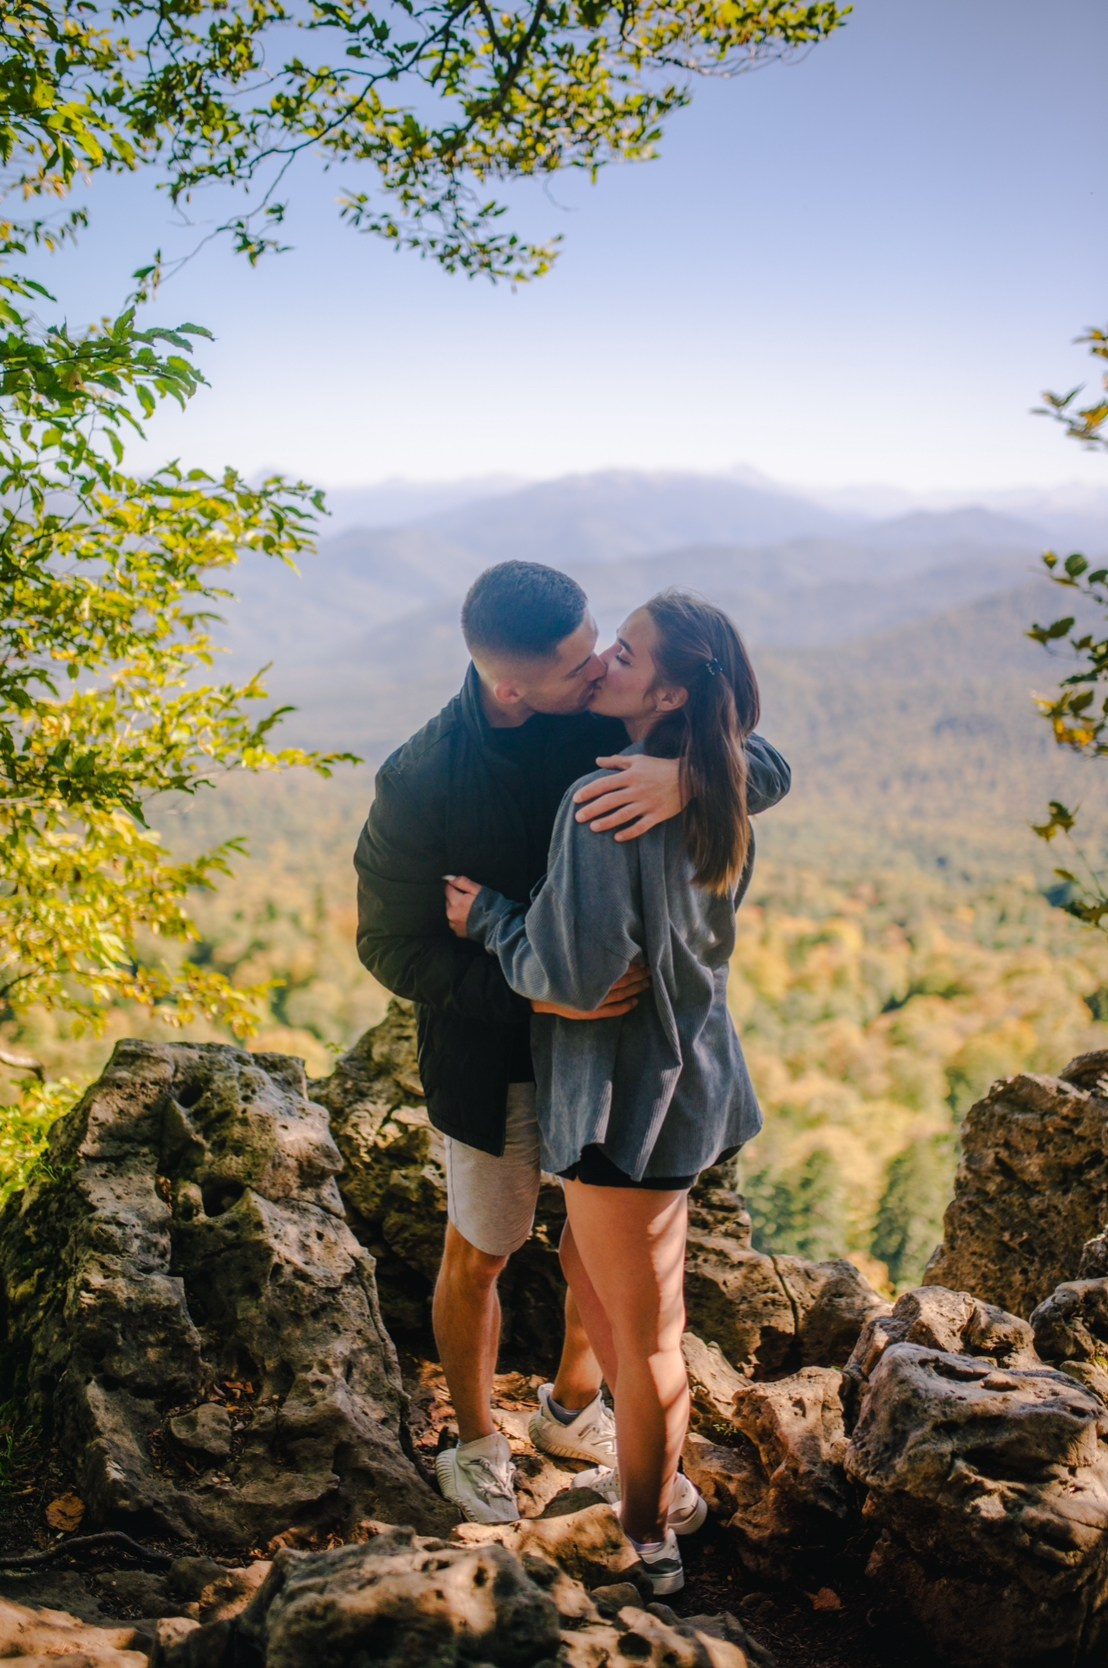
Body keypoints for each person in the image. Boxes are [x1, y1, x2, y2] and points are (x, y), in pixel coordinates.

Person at [355, 563, 790, 1527]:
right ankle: (475, 1442)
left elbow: (758, 757)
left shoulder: (604, 713)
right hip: (497, 1057)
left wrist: (686, 778)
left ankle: (571, 1410)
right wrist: (540, 998)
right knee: (484, 1250)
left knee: (595, 1259)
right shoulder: (421, 777)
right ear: (514, 686)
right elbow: (388, 945)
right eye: (579, 660)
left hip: (606, 1067)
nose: (599, 668)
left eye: (603, 644)